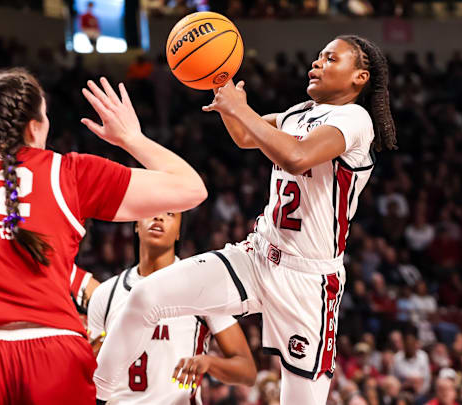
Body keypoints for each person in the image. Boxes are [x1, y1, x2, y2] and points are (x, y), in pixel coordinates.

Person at [94, 34, 396, 404]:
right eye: (318, 56)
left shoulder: (355, 119)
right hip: (257, 255)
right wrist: (219, 85)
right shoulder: (297, 113)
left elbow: (297, 157)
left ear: (359, 78)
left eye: (331, 59)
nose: (317, 63)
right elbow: (242, 136)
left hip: (308, 281)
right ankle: (95, 394)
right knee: (144, 297)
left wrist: (241, 108)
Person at [0, 69, 207, 405]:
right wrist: (131, 138)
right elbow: (191, 189)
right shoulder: (69, 173)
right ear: (34, 126)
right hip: (51, 355)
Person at [88, 212, 256, 404]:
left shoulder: (199, 287)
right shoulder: (105, 293)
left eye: (169, 214)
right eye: (151, 210)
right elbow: (91, 374)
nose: (158, 217)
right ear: (136, 224)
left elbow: (247, 371)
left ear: (178, 232)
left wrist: (209, 362)